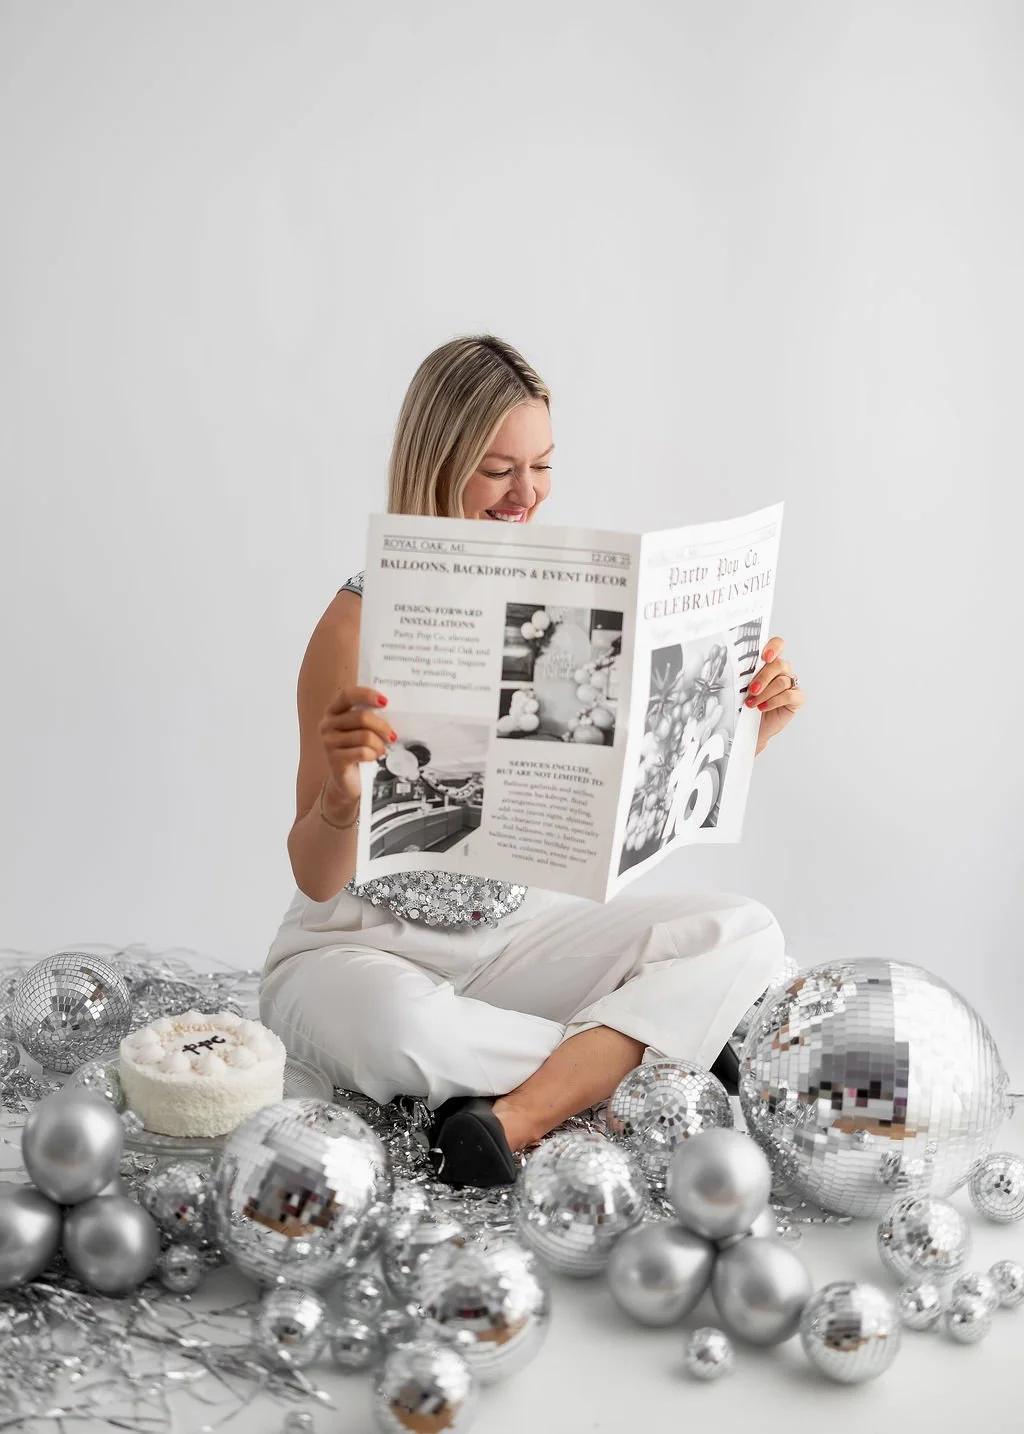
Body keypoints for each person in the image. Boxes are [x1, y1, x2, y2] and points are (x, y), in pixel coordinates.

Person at [259, 334, 806, 1188]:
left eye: (542, 466)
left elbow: (607, 811)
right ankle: (653, 1056)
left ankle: (514, 1115)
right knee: (405, 1032)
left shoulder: (566, 608)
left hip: (519, 934)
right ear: (437, 460)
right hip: (364, 946)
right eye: (497, 468)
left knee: (745, 932)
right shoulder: (351, 625)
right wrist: (340, 794)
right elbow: (316, 876)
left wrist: (735, 742)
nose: (527, 494)